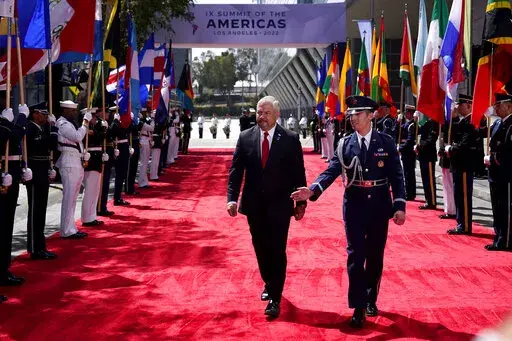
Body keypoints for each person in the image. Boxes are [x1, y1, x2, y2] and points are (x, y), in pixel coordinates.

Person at [290, 96, 406, 329]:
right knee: (355, 255)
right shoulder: (345, 143)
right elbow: (332, 170)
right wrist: (312, 190)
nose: (352, 118)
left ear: (371, 115)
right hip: (354, 205)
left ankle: (371, 297)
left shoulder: (386, 142)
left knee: (374, 256)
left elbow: (396, 175)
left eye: (358, 114)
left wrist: (399, 205)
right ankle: (358, 306)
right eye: (351, 114)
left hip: (379, 205)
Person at [227, 95, 307, 318]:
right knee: (260, 247)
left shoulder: (290, 139)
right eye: (259, 112)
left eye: (266, 113)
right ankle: (269, 280)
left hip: (280, 205)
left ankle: (275, 296)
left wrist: (301, 203)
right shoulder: (245, 137)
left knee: (277, 249)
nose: (261, 117)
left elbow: (298, 173)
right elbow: (236, 172)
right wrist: (232, 198)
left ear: (277, 115)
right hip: (254, 205)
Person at [0, 103, 31, 286]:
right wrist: (19, 120)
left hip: (10, 175)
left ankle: (3, 269)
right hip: (3, 176)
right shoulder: (4, 122)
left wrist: (21, 168)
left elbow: (14, 142)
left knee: (7, 226)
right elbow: (10, 136)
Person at [445, 94, 483, 235]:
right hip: (458, 164)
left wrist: (452, 149)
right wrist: (453, 118)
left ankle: (465, 225)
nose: (457, 107)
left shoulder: (472, 122)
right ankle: (461, 223)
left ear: (468, 105)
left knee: (464, 196)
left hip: (466, 164)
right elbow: (452, 135)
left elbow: (464, 145)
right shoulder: (462, 122)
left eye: (459, 105)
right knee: (458, 195)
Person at [25, 103, 58, 260]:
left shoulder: (41, 128)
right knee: (35, 211)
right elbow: (47, 144)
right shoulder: (30, 128)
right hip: (34, 169)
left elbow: (51, 147)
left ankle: (40, 246)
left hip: (42, 168)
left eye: (46, 114)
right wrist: (53, 130)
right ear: (34, 114)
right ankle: (34, 247)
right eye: (42, 114)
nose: (45, 117)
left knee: (41, 210)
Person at [56, 100, 89, 239]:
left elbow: (77, 142)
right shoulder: (62, 124)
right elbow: (77, 136)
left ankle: (71, 228)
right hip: (68, 162)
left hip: (76, 161)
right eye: (72, 111)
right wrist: (85, 123)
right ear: (65, 111)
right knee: (69, 198)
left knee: (73, 197)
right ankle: (66, 230)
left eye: (75, 110)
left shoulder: (70, 123)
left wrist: (83, 153)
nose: (75, 113)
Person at [484, 93, 512, 251]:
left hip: (506, 173)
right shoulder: (498, 124)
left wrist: (494, 158)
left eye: (498, 105)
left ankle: (506, 240)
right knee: (497, 208)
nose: (495, 107)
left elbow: (509, 151)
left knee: (505, 208)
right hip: (495, 173)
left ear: (509, 106)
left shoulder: (511, 125)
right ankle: (498, 236)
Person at [81, 108, 107, 227]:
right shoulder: (84, 127)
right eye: (93, 116)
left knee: (95, 190)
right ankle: (87, 217)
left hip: (96, 158)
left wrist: (104, 129)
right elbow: (99, 137)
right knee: (90, 190)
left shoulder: (95, 127)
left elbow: (103, 137)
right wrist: (103, 131)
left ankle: (91, 216)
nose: (95, 118)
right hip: (90, 158)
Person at [416, 116, 439, 210]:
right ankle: (428, 200)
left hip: (429, 154)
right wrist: (415, 121)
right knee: (425, 179)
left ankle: (432, 201)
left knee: (429, 179)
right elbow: (418, 132)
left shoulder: (434, 122)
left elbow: (432, 139)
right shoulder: (426, 122)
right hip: (423, 154)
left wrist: (420, 146)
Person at [438, 110, 457, 219]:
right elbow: (442, 139)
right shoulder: (445, 123)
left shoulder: (457, 123)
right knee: (446, 185)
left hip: (452, 157)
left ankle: (453, 210)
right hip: (445, 158)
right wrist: (440, 149)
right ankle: (448, 209)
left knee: (451, 185)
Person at [97, 108, 116, 217]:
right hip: (101, 155)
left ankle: (102, 206)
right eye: (106, 112)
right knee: (101, 184)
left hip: (107, 155)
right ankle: (99, 207)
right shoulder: (98, 124)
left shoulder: (106, 123)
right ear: (100, 112)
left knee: (105, 183)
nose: (108, 114)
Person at [110, 110, 131, 206]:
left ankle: (119, 196)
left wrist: (131, 120)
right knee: (119, 175)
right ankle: (117, 198)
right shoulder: (113, 123)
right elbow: (113, 132)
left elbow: (131, 130)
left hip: (125, 148)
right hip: (119, 149)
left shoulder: (122, 122)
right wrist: (115, 121)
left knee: (122, 174)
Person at [398, 105, 417, 201]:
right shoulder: (406, 124)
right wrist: (397, 122)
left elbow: (409, 141)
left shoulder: (413, 125)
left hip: (409, 152)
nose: (406, 114)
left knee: (410, 174)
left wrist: (400, 148)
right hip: (405, 152)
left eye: (408, 113)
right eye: (406, 113)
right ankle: (408, 192)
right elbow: (397, 132)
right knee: (406, 173)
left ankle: (410, 194)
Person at [138, 110, 154, 188]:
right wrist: (152, 120)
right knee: (143, 163)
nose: (146, 114)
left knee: (145, 163)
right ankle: (142, 182)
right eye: (145, 113)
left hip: (146, 141)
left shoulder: (144, 122)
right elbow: (151, 128)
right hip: (143, 142)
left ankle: (144, 181)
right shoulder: (141, 123)